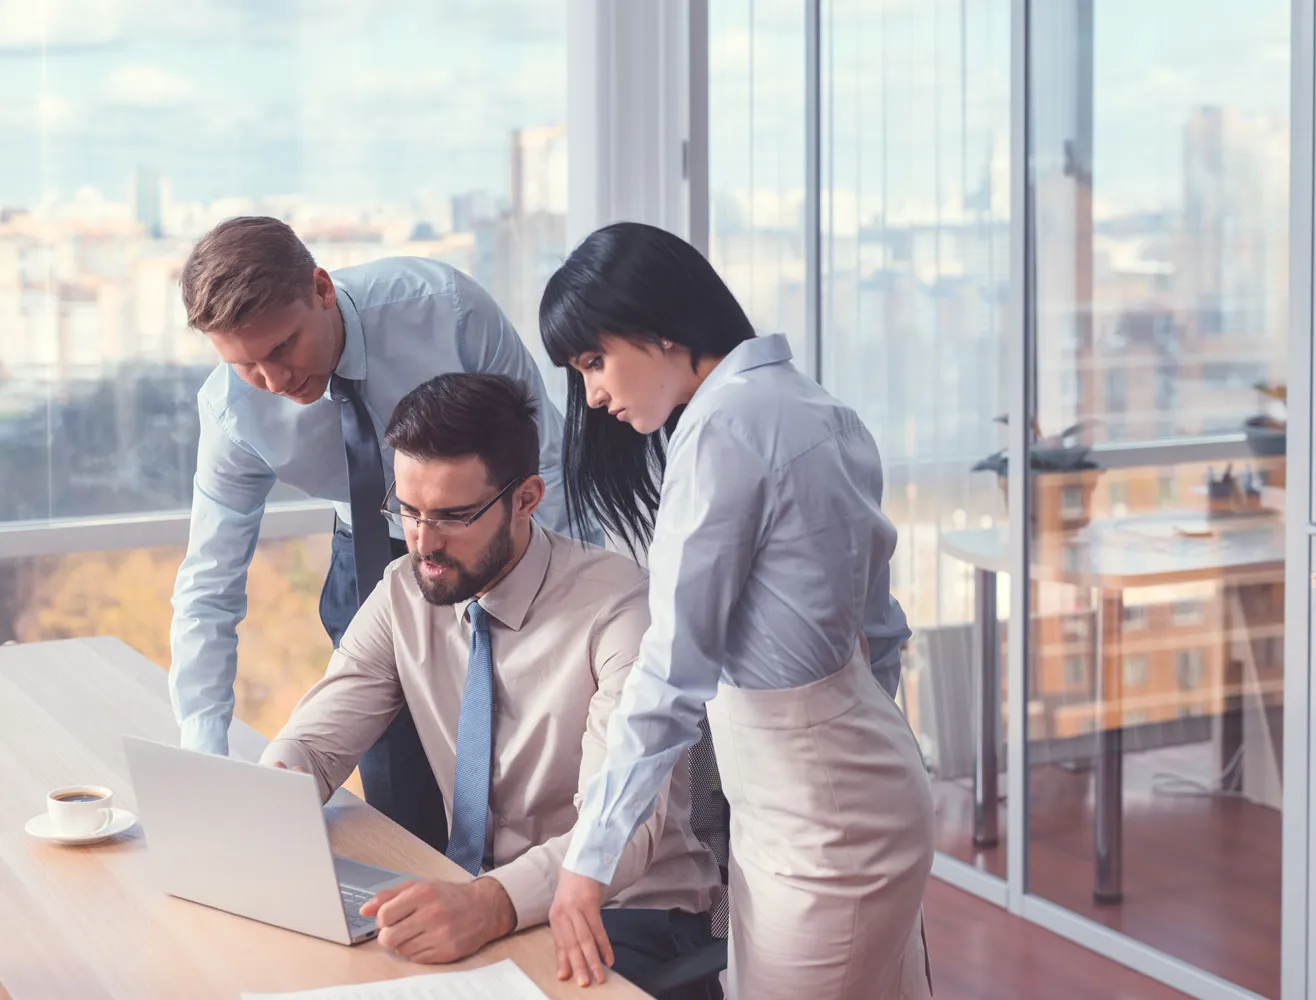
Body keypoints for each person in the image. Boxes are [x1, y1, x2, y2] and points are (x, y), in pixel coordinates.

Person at [540, 222, 934, 998]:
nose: (591, 393)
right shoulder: (815, 405)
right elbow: (879, 627)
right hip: (850, 790)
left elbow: (671, 669)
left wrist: (588, 860)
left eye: (595, 360)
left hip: (819, 827)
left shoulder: (725, 428)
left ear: (661, 325)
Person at [260, 372, 720, 999]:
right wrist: (277, 786)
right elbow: (314, 745)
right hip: (478, 902)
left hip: (628, 915)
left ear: (526, 498)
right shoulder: (404, 590)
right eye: (408, 510)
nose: (423, 541)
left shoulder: (620, 610)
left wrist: (490, 906)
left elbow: (624, 830)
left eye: (452, 515)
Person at [167, 217, 577, 851]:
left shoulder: (446, 311)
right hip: (369, 562)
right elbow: (209, 585)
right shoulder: (233, 412)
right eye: (245, 363)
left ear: (322, 289)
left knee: (518, 773)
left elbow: (543, 463)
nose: (274, 382)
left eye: (281, 348)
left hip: (499, 545)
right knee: (401, 814)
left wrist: (559, 609)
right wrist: (203, 753)